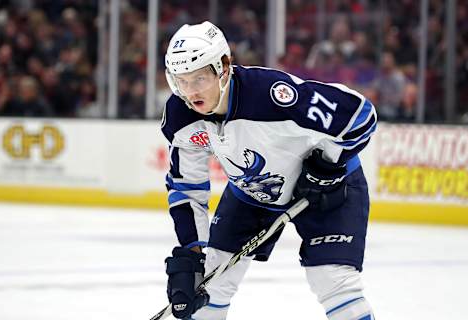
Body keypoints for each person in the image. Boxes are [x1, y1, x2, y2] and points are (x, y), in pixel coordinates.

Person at [161, 21, 376, 320]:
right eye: (180, 81)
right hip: (253, 193)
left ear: (223, 65)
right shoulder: (180, 117)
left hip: (328, 189)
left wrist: (327, 166)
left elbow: (359, 115)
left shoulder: (273, 96)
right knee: (208, 285)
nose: (189, 92)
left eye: (198, 79)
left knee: (333, 280)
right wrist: (192, 254)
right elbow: (187, 189)